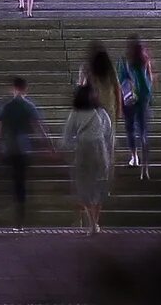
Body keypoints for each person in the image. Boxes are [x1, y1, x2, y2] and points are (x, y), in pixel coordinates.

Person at [0, 77, 51, 226]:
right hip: (24, 149)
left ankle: (3, 206)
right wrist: (48, 145)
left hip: (9, 148)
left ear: (13, 88)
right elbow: (40, 127)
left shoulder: (6, 107)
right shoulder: (29, 106)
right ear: (25, 89)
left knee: (9, 178)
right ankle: (20, 217)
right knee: (21, 182)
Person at [62, 81, 115, 232]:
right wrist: (110, 156)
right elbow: (109, 136)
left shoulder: (76, 112)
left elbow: (67, 135)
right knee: (98, 187)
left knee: (84, 187)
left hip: (83, 151)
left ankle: (92, 222)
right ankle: (95, 223)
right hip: (100, 151)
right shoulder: (101, 113)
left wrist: (69, 147)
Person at [119, 36, 156, 175]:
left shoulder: (125, 62)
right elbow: (150, 80)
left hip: (130, 99)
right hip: (143, 99)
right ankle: (144, 168)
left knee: (130, 128)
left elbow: (121, 80)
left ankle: (134, 157)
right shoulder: (145, 61)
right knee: (143, 131)